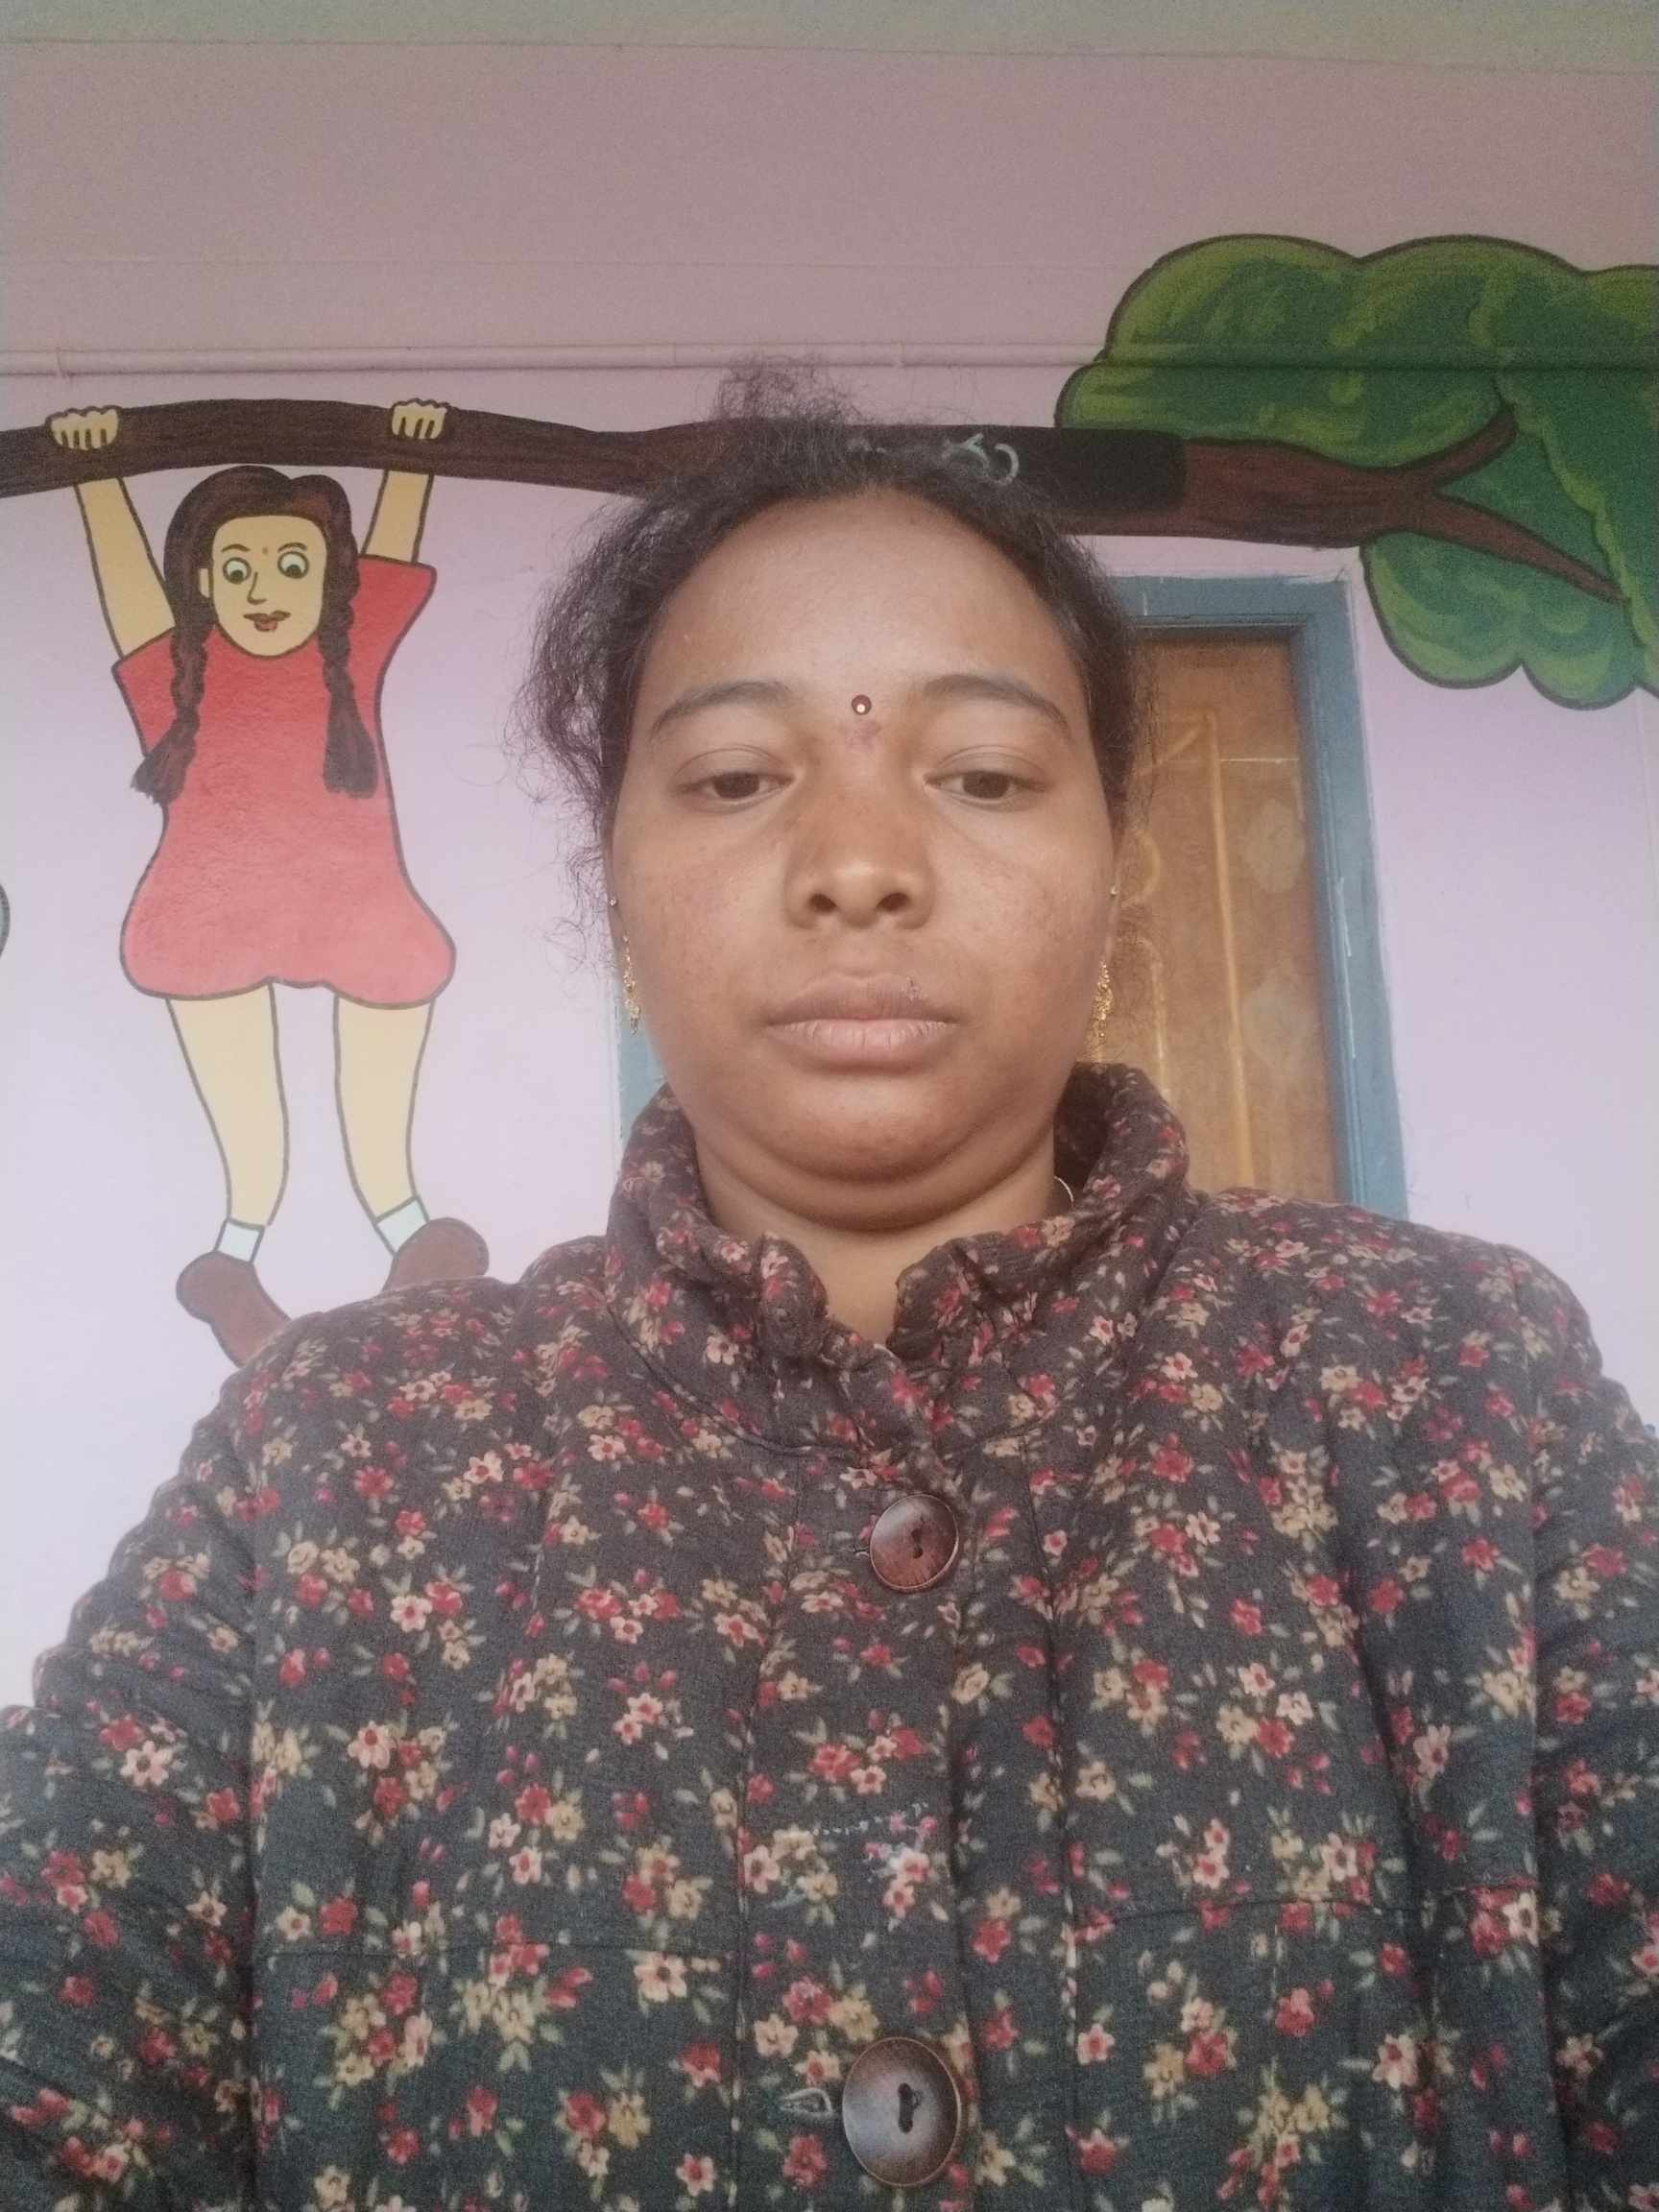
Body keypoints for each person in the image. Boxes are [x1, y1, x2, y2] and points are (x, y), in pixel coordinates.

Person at [3, 368, 1654, 2209]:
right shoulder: (334, 1454)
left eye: (982, 773)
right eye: (733, 777)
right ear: (612, 876)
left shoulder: (1454, 1389)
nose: (859, 864)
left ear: (1111, 859)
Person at [45, 399, 487, 1365]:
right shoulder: (178, 671)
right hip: (210, 915)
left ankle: (404, 1226)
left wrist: (410, 456)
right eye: (237, 570)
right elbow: (125, 584)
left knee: (381, 1135)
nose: (265, 591)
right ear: (203, 582)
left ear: (330, 579)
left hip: (359, 910)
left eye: (293, 566)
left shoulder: (348, 651)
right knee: (254, 1143)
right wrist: (93, 475)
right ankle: (238, 1254)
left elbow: (393, 546)